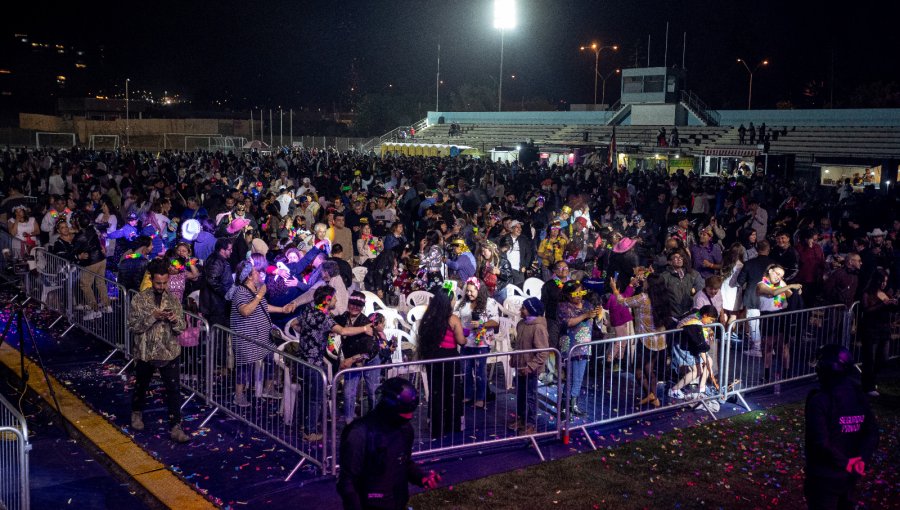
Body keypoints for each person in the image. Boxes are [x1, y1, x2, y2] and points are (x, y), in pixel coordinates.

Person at [336, 377, 441, 510]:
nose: (407, 420)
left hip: (397, 501)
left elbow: (403, 462)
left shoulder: (405, 430)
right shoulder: (359, 433)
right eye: (403, 417)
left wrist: (421, 477)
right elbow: (347, 482)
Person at [804, 344, 879, 510]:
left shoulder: (820, 401)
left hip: (824, 476)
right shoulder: (858, 396)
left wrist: (848, 462)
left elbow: (820, 442)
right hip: (848, 475)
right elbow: (872, 433)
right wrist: (860, 461)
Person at [128, 259, 190, 443]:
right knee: (141, 385)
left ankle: (176, 426)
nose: (162, 286)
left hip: (169, 351)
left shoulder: (173, 300)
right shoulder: (140, 298)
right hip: (146, 352)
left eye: (165, 283)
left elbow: (181, 327)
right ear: (151, 279)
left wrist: (173, 320)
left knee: (173, 390)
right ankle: (136, 413)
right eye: (158, 283)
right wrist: (152, 317)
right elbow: (133, 326)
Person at [229, 260, 296, 407]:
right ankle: (238, 395)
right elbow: (245, 311)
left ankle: (268, 388)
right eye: (255, 272)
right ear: (249, 277)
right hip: (246, 338)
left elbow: (263, 306)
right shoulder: (241, 291)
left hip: (262, 336)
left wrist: (281, 309)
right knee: (244, 366)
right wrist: (259, 295)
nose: (259, 273)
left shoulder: (255, 288)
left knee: (270, 359)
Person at [415, 290, 466, 439]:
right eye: (453, 299)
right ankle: (452, 425)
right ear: (448, 302)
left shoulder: (428, 318)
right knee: (452, 392)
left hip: (433, 358)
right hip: (449, 359)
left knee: (436, 393)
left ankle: (437, 428)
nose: (454, 302)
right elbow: (461, 341)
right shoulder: (453, 319)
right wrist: (466, 338)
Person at [558, 280, 603, 417]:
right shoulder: (563, 306)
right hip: (570, 346)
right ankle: (564, 406)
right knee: (571, 377)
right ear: (568, 294)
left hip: (584, 346)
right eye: (575, 293)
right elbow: (568, 322)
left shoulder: (588, 304)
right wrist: (585, 315)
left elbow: (596, 323)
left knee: (578, 378)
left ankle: (573, 404)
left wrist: (599, 316)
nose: (579, 295)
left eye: (581, 292)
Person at [454, 277, 501, 408]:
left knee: (480, 371)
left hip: (482, 342)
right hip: (466, 341)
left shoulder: (489, 303)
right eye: (467, 291)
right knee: (466, 370)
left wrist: (482, 324)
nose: (469, 294)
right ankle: (468, 395)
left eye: (471, 291)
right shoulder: (461, 303)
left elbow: (496, 321)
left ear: (479, 290)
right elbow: (455, 317)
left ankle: (481, 398)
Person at [757, 263, 803, 383]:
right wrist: (790, 285)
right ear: (770, 271)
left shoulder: (781, 284)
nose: (779, 277)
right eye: (777, 274)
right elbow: (772, 293)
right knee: (768, 347)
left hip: (782, 316)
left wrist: (797, 290)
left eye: (781, 276)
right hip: (768, 317)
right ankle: (767, 376)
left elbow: (791, 295)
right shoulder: (761, 284)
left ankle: (787, 374)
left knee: (784, 347)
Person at [510, 297, 549, 434]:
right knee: (520, 395)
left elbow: (543, 352)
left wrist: (530, 366)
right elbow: (518, 344)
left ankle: (531, 424)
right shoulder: (521, 324)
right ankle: (521, 419)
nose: (521, 310)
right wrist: (514, 358)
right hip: (520, 367)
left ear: (531, 310)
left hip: (531, 370)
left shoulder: (538, 328)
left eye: (523, 308)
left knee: (530, 396)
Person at [859, 269, 897, 397]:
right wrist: (883, 304)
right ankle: (868, 385)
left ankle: (871, 379)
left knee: (884, 358)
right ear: (876, 280)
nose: (883, 284)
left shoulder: (886, 293)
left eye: (885, 281)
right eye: (881, 281)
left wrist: (894, 303)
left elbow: (891, 310)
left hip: (884, 329)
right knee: (870, 359)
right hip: (871, 329)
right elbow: (867, 310)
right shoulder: (867, 293)